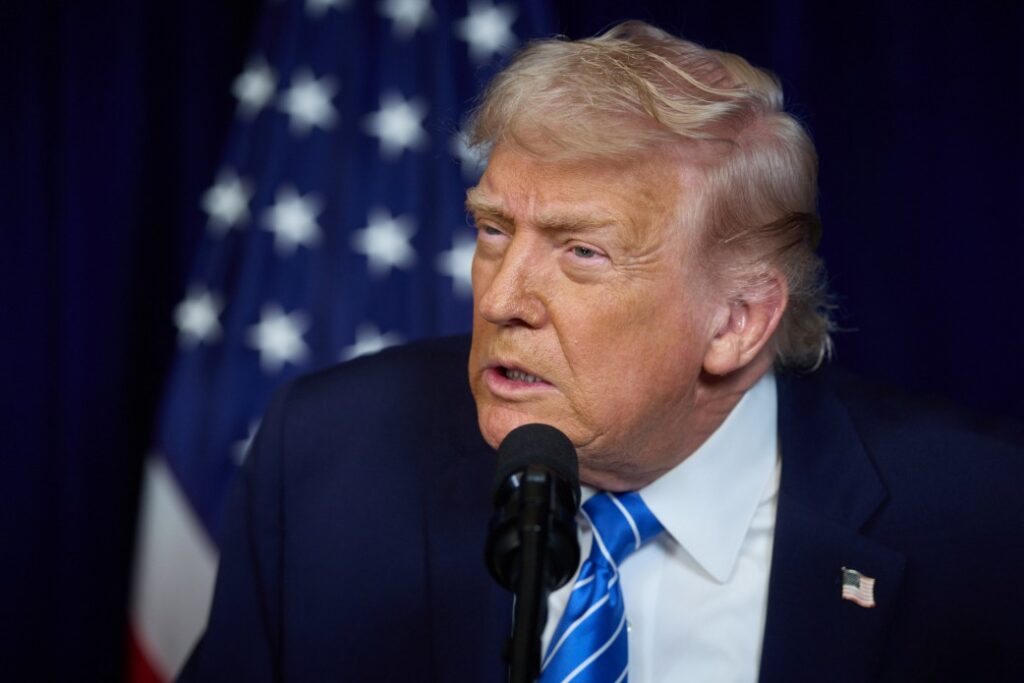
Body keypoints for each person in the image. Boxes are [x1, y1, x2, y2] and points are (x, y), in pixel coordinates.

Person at [180, 21, 1024, 682]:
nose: (502, 298)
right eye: (492, 229)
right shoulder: (327, 461)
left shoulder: (983, 524)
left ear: (737, 320)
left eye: (582, 252)